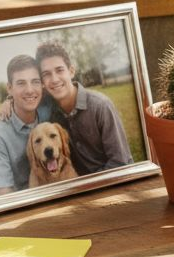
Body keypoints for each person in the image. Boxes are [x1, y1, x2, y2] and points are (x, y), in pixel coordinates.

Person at [35, 41, 132, 174]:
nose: (54, 79)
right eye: (46, 74)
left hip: (114, 182)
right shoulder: (49, 112)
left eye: (59, 70)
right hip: (77, 185)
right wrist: (10, 100)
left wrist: (89, 187)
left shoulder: (101, 106)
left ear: (71, 71)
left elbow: (121, 162)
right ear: (42, 82)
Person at [0, 55, 44, 197]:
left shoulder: (47, 113)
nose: (30, 90)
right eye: (21, 83)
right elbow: (3, 194)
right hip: (16, 205)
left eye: (35, 82)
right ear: (9, 88)